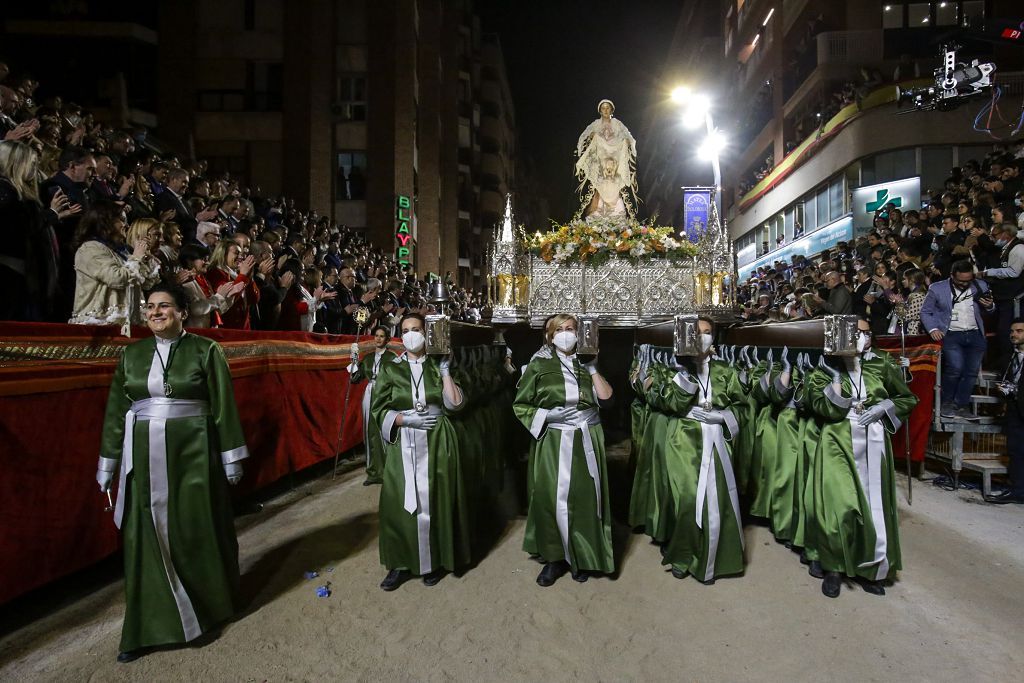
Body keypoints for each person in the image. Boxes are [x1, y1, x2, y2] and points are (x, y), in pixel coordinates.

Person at [94, 284, 249, 662]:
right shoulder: (131, 356)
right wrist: (108, 464)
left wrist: (231, 458)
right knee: (145, 535)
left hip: (194, 455)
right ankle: (149, 625)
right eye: (150, 306)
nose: (156, 312)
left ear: (182, 312)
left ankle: (209, 608)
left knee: (195, 528)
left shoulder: (205, 350)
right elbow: (117, 413)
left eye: (165, 306)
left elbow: (223, 406)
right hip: (143, 460)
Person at [805, 318, 917, 598]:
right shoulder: (827, 366)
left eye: (866, 333)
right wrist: (835, 385)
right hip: (836, 441)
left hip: (874, 442)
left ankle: (871, 568)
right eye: (855, 333)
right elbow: (819, 407)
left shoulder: (883, 364)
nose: (861, 338)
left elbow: (906, 399)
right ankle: (833, 567)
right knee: (838, 505)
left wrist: (883, 407)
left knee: (872, 507)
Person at [513, 314, 614, 586]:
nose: (566, 334)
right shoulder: (538, 366)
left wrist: (592, 368)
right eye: (560, 330)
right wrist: (547, 416)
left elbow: (606, 399)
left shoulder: (586, 363)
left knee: (583, 496)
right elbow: (521, 404)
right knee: (549, 496)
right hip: (553, 439)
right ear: (550, 336)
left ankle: (582, 554)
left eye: (571, 329)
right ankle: (554, 558)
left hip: (586, 438)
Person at [371, 313, 467, 590]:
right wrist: (402, 420)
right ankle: (400, 564)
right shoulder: (392, 367)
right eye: (406, 330)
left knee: (436, 498)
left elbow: (457, 404)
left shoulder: (439, 365)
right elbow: (379, 408)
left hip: (437, 439)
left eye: (416, 329)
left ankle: (434, 560)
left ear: (427, 333)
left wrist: (446, 370)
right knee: (397, 499)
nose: (411, 334)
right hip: (404, 439)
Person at [649, 317, 746, 583]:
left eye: (707, 333)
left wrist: (723, 416)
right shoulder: (672, 369)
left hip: (717, 440)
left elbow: (742, 406)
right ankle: (683, 555)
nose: (702, 337)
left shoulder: (726, 369)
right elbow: (666, 403)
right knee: (688, 499)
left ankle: (717, 558)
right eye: (696, 333)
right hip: (684, 439)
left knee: (718, 500)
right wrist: (683, 373)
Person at [0, 140, 73, 320]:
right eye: (31, 163)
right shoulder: (4, 191)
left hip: (24, 274)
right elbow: (15, 229)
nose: (35, 167)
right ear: (15, 162)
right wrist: (51, 213)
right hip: (9, 275)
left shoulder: (17, 191)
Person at [920, 259, 995, 421]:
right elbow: (926, 312)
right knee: (955, 368)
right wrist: (933, 329)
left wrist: (989, 306)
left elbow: (990, 310)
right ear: (952, 276)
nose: (964, 284)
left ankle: (962, 405)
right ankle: (946, 403)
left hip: (975, 334)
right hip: (951, 334)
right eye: (960, 281)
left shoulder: (980, 286)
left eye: (968, 281)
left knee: (971, 372)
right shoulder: (937, 288)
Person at [70, 200, 158, 328]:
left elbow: (147, 283)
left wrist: (146, 259)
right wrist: (136, 258)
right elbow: (116, 278)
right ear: (105, 221)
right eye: (122, 220)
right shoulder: (90, 248)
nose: (126, 225)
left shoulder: (121, 251)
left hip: (126, 323)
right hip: (100, 324)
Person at [574, 99, 639, 220]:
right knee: (599, 184)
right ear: (600, 110)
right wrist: (592, 137)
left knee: (614, 183)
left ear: (611, 110)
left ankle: (616, 212)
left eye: (607, 108)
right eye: (603, 108)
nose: (605, 110)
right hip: (600, 161)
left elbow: (629, 137)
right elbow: (583, 138)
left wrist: (626, 141)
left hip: (614, 160)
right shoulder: (595, 124)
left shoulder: (617, 124)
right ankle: (597, 212)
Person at [349, 325, 397, 485]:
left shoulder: (392, 357)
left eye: (382, 336)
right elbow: (355, 379)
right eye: (376, 335)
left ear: (387, 339)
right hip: (369, 394)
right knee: (370, 431)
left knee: (385, 431)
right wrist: (354, 359)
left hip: (385, 395)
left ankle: (389, 471)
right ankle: (373, 472)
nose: (378, 338)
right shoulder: (368, 358)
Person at [989, 318, 1024, 504]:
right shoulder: (1009, 358)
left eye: (1019, 331)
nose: (1013, 334)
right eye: (1012, 331)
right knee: (1015, 451)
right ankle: (1018, 491)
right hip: (1015, 411)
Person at [177, 243, 242, 328]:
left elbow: (216, 311)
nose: (207, 263)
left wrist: (229, 296)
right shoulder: (186, 282)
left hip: (209, 332)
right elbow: (196, 309)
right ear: (189, 261)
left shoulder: (205, 281)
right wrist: (219, 296)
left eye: (208, 259)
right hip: (195, 334)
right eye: (204, 259)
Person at [206, 238, 259, 330]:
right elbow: (229, 298)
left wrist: (249, 277)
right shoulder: (215, 273)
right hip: (227, 328)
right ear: (223, 254)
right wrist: (242, 275)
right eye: (236, 253)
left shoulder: (238, 273)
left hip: (243, 327)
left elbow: (254, 299)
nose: (240, 257)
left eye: (241, 254)